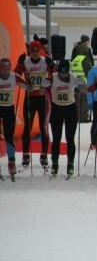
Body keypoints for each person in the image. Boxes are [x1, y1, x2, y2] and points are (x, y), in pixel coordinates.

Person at [41, 60, 86, 177]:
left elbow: (84, 90)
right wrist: (43, 85)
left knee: (70, 138)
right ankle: (55, 163)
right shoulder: (53, 77)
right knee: (56, 138)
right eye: (61, 73)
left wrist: (82, 83)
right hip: (57, 110)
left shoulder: (73, 77)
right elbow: (42, 90)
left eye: (65, 74)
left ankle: (70, 164)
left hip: (70, 110)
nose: (63, 76)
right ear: (58, 71)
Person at [14, 40, 54, 168]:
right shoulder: (26, 61)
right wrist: (19, 64)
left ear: (40, 50)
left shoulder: (44, 61)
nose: (35, 53)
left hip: (43, 98)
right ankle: (26, 155)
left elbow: (55, 76)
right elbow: (15, 76)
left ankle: (44, 155)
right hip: (30, 97)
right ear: (29, 51)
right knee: (28, 126)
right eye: (33, 51)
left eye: (37, 51)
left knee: (44, 127)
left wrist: (52, 66)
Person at [0, 58, 32, 178]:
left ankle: (11, 162)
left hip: (8, 109)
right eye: (2, 68)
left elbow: (29, 89)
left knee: (9, 136)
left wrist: (28, 78)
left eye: (7, 67)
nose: (5, 70)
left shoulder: (14, 76)